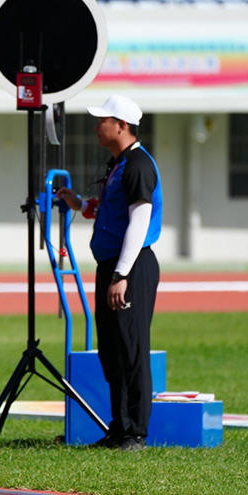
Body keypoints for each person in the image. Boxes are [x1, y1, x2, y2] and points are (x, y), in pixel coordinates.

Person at [57, 95, 163, 452]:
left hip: (130, 267)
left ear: (121, 125)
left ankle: (136, 432)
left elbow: (139, 221)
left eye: (102, 120)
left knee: (132, 349)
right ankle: (119, 428)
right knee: (112, 350)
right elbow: (106, 211)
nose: (96, 126)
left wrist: (121, 275)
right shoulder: (117, 165)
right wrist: (77, 203)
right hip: (114, 267)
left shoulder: (137, 165)